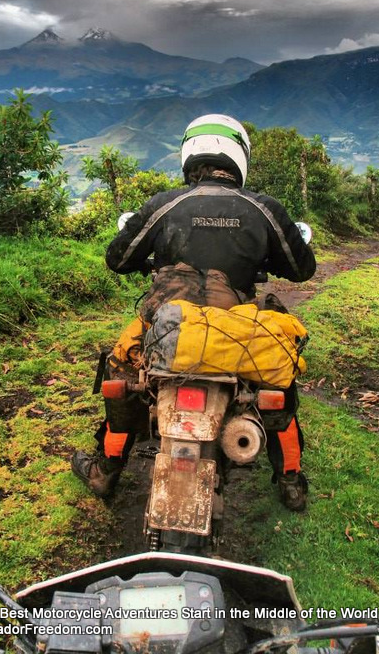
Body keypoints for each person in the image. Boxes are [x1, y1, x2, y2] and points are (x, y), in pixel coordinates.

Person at [71, 114, 316, 511]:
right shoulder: (264, 208)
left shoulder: (166, 203)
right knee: (278, 383)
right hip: (237, 330)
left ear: (188, 154)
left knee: (122, 372)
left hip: (169, 326)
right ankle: (290, 481)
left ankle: (106, 470)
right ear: (239, 154)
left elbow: (118, 258)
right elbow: (302, 269)